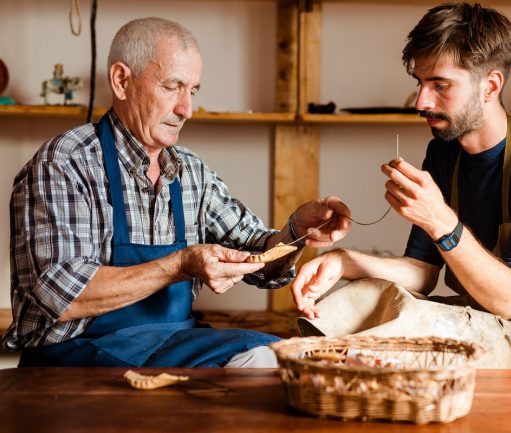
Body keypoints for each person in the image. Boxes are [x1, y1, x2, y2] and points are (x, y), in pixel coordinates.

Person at [3, 17, 351, 368]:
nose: (187, 109)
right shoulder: (65, 163)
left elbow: (259, 261)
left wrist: (296, 232)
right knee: (264, 362)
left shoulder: (191, 171)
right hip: (72, 367)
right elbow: (59, 294)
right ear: (122, 81)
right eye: (173, 86)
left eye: (193, 90)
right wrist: (180, 265)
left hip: (167, 348)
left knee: (281, 356)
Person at [291, 2, 511, 368]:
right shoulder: (444, 154)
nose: (422, 102)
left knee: (409, 328)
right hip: (485, 321)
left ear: (490, 85)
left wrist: (441, 221)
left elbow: (510, 301)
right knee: (363, 298)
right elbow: (422, 274)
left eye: (440, 85)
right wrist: (345, 262)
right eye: (420, 84)